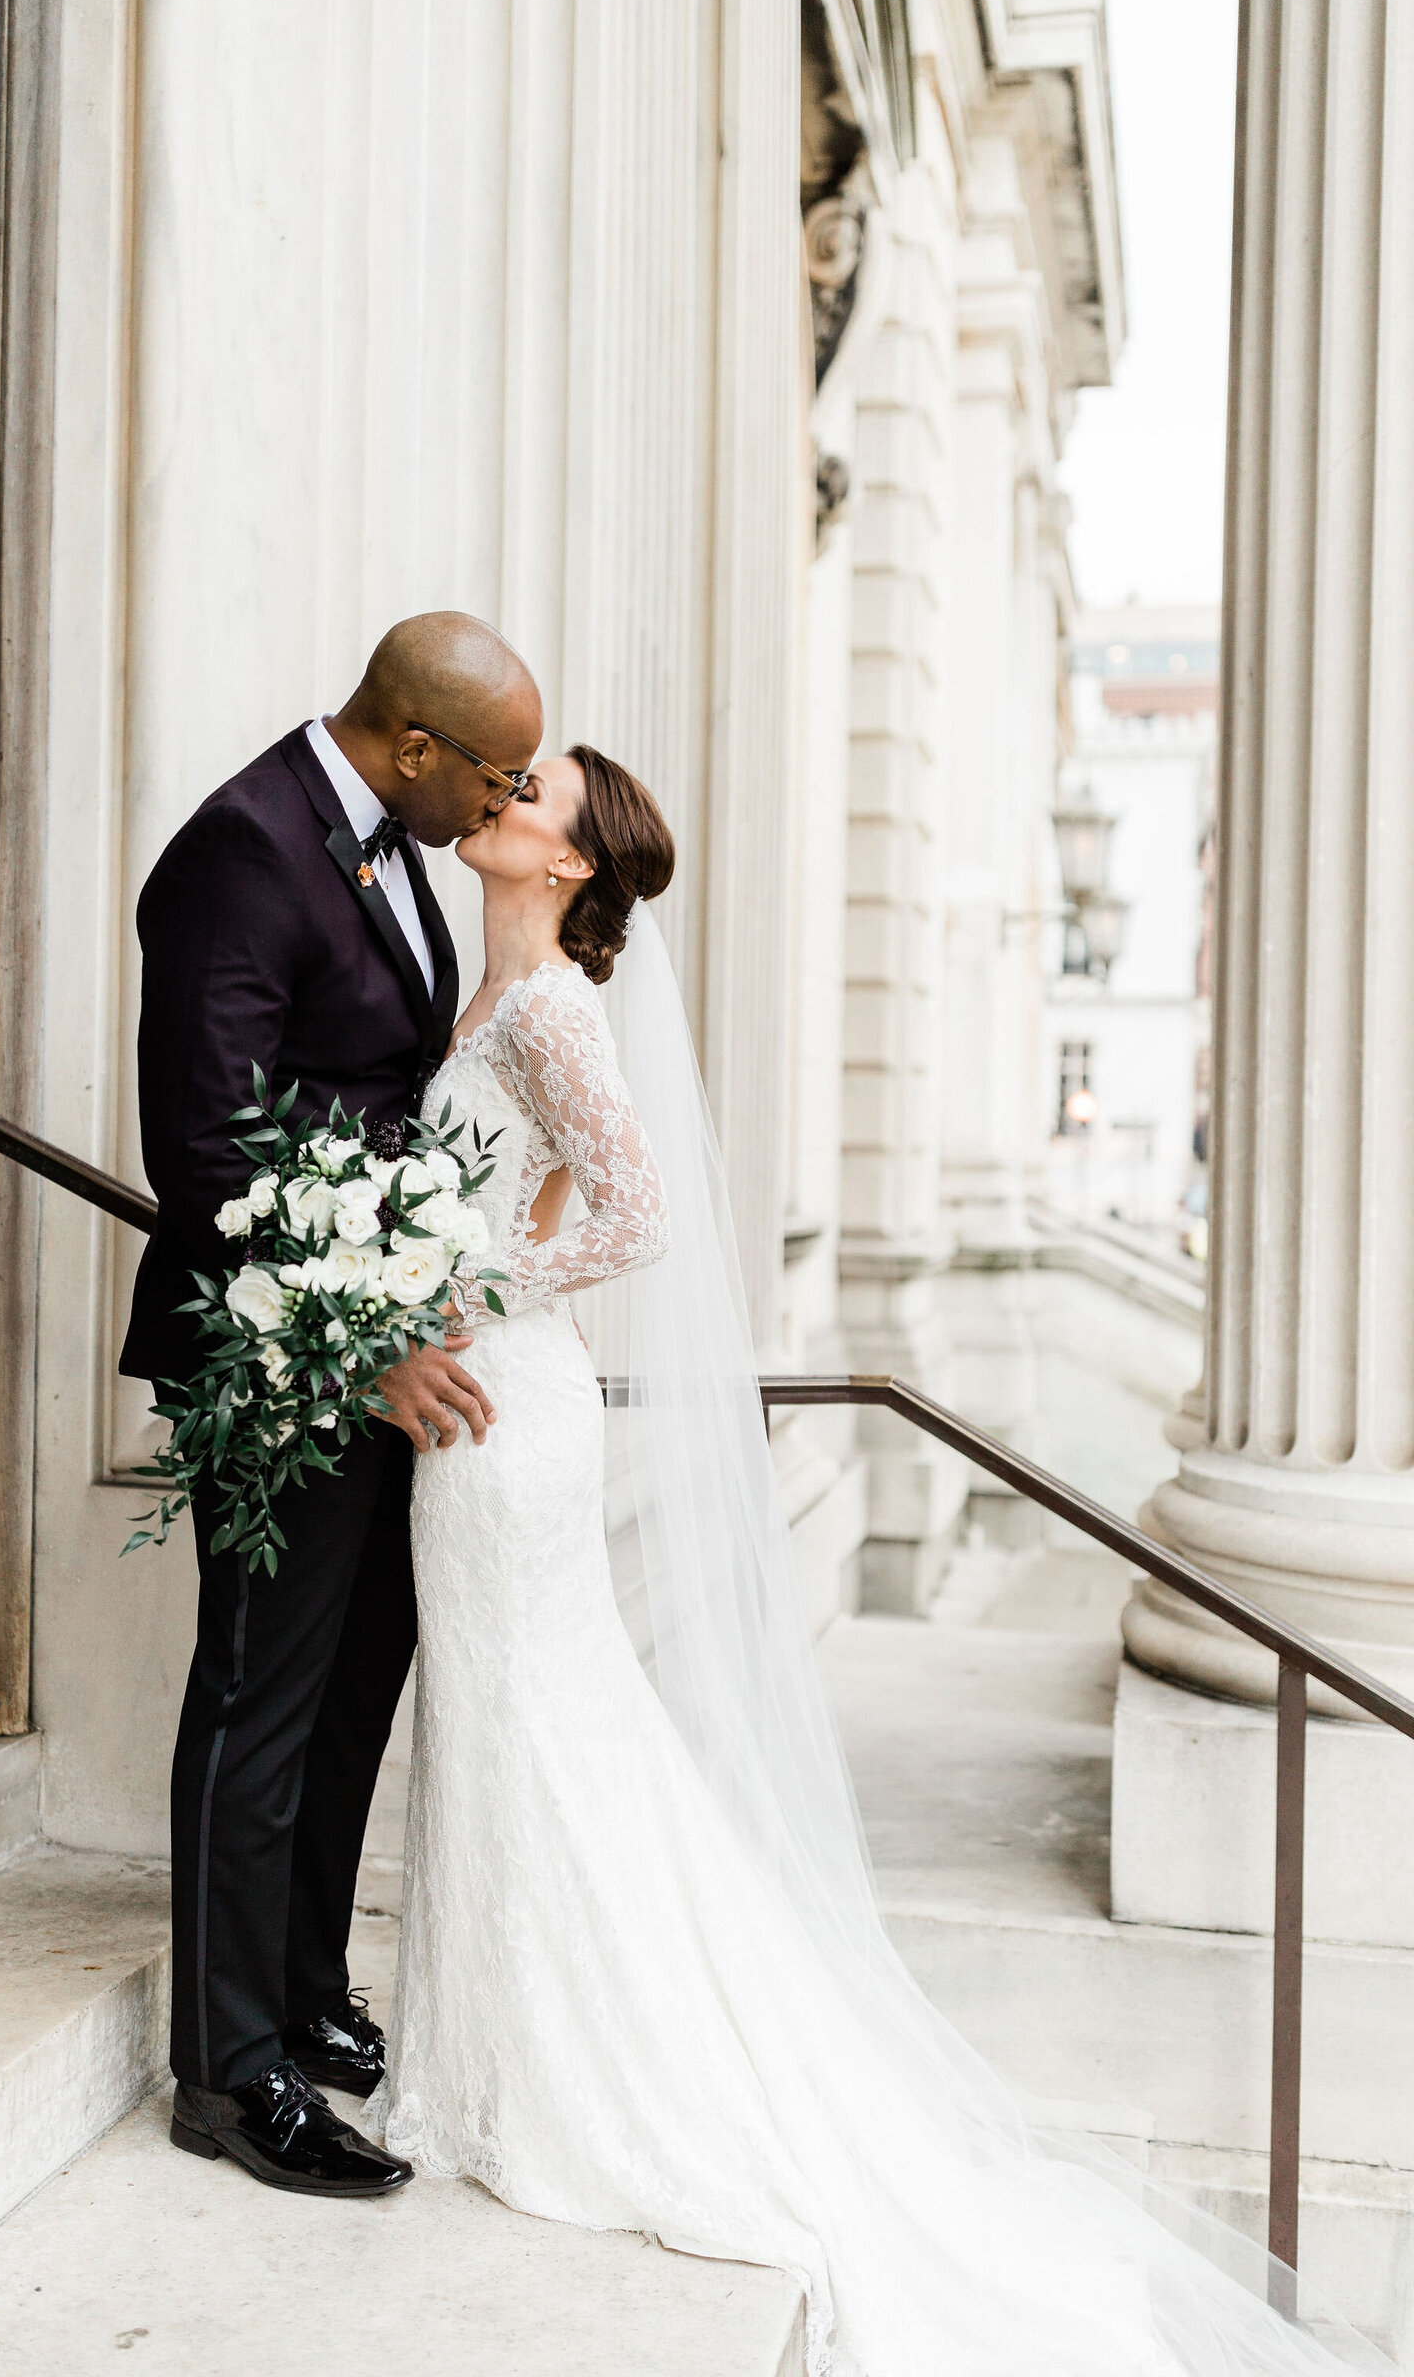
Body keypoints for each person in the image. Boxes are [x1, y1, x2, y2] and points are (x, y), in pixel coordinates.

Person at [361, 743, 1386, 2373]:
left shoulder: (553, 1011)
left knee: (534, 1723)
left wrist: (474, 1286)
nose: (498, 795)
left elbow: (637, 1215)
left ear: (565, 865)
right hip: (482, 1423)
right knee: (511, 1729)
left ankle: (563, 2073)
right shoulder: (490, 998)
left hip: (515, 1413)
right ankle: (487, 2054)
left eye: (531, 792)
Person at [121, 612, 542, 2197]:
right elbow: (209, 1147)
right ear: (414, 745)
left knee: (356, 1683)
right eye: (489, 775)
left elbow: (369, 1102)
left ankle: (299, 1994)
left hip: (378, 1360)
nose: (500, 808)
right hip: (277, 1362)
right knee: (259, 1700)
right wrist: (361, 1346)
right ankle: (225, 2077)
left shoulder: (386, 847)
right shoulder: (242, 849)